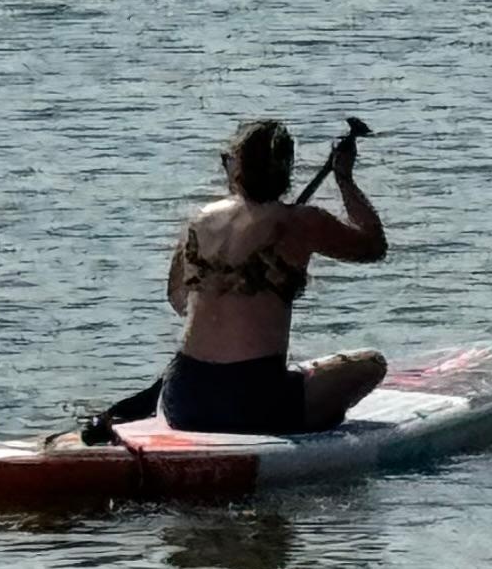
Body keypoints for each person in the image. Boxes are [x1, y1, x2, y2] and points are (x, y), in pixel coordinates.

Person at [159, 117, 387, 433]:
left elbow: (177, 299)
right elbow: (373, 246)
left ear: (235, 168)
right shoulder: (302, 222)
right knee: (371, 364)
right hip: (256, 403)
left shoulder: (199, 221)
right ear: (284, 171)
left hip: (183, 399)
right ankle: (310, 419)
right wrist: (344, 178)